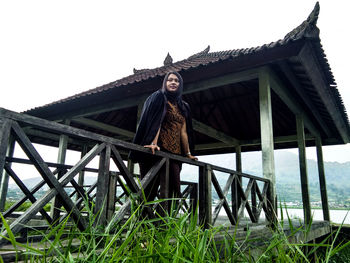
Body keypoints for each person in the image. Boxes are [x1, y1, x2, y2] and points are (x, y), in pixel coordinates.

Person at [129, 71, 197, 213]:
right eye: (170, 80)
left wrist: (188, 153)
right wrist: (153, 143)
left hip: (175, 153)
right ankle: (142, 223)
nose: (173, 82)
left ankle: (163, 226)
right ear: (165, 83)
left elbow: (183, 132)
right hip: (157, 150)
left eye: (176, 81)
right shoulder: (159, 97)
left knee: (173, 190)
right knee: (149, 190)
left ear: (180, 84)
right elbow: (156, 122)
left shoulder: (184, 106)